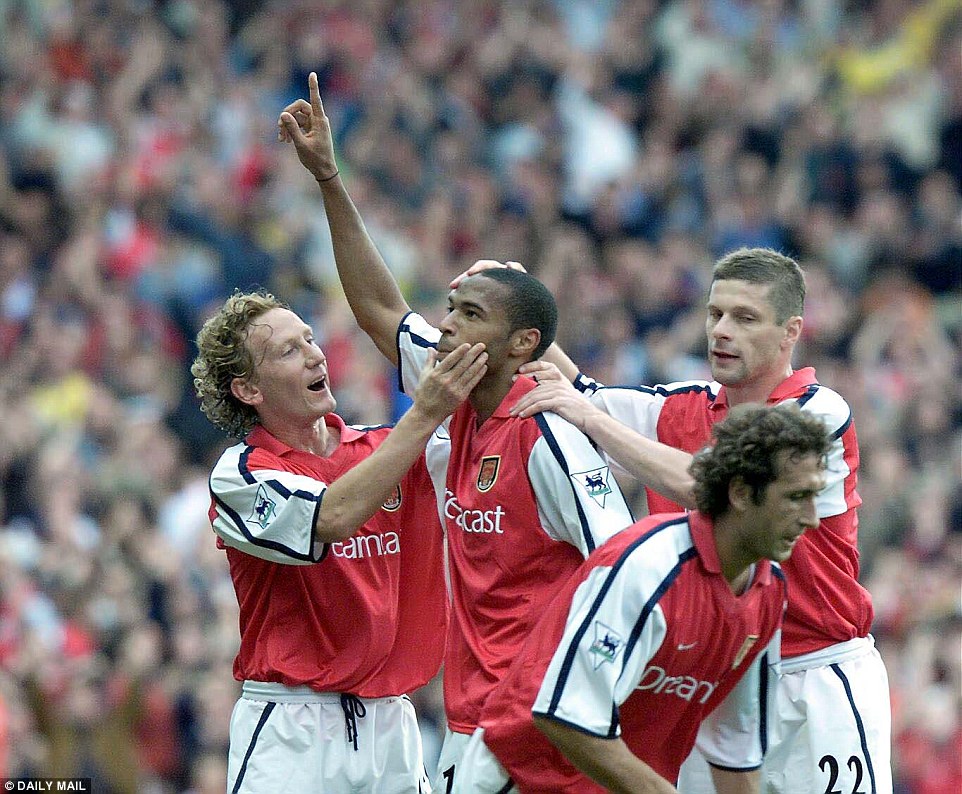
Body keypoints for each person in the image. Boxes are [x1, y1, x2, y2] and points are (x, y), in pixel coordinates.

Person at [277, 73, 636, 790]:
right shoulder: (458, 391)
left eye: (470, 315)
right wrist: (328, 178)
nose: (445, 326)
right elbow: (381, 308)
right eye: (450, 308)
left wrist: (581, 714)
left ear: (521, 345)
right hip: (468, 723)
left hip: (534, 728)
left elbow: (625, 573)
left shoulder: (550, 436)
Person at [507, 248, 893, 794]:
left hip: (815, 674)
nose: (722, 331)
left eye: (745, 317)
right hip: (715, 677)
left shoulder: (818, 413)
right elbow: (586, 397)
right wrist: (524, 314)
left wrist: (589, 414)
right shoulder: (683, 407)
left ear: (791, 332)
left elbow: (709, 484)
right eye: (715, 314)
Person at [191, 290, 488, 794]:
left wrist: (513, 322)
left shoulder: (385, 449)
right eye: (288, 351)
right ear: (248, 389)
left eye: (309, 338)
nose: (315, 353)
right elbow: (331, 516)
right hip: (290, 729)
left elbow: (486, 445)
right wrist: (425, 413)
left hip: (391, 722)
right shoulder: (240, 475)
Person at [453, 403, 831, 794]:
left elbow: (736, 754)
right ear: (739, 492)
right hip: (521, 780)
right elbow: (565, 717)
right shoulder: (649, 567)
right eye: (796, 496)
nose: (812, 517)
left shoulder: (769, 593)